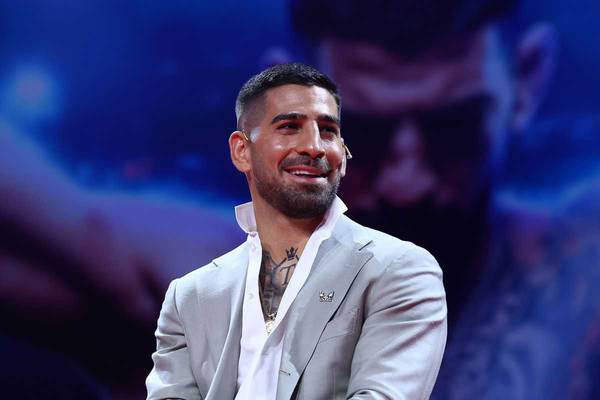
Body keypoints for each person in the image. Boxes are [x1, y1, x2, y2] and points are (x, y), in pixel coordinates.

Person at [289, 1, 600, 399]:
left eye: (453, 132)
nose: (406, 185)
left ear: (526, 80)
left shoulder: (583, 279)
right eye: (362, 137)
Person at [146, 63, 447, 399]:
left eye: (328, 131)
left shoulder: (399, 271)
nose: (315, 147)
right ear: (242, 151)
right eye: (290, 127)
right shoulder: (190, 296)